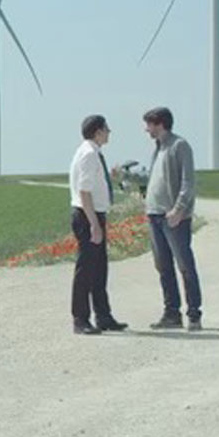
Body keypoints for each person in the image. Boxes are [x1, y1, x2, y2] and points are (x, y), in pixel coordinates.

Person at [143, 106, 203, 331]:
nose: (146, 129)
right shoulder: (158, 148)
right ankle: (171, 313)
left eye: (149, 124)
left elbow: (188, 182)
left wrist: (179, 210)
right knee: (163, 267)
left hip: (173, 217)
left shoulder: (180, 146)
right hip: (154, 215)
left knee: (185, 265)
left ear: (160, 124)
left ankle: (194, 314)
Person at [69, 114, 128, 335]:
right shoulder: (89, 155)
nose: (109, 132)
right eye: (106, 129)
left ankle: (103, 316)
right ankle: (80, 319)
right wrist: (94, 224)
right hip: (88, 216)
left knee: (99, 268)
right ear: (98, 131)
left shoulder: (91, 152)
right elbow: (84, 192)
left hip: (93, 214)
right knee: (86, 270)